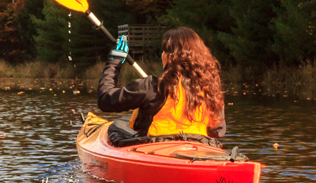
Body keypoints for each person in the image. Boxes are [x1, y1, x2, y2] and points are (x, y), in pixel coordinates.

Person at [96, 26, 226, 140]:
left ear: (171, 57)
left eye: (164, 51)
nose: (162, 55)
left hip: (155, 148)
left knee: (116, 126)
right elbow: (218, 131)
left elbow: (105, 100)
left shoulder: (151, 86)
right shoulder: (211, 90)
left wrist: (114, 62)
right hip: (197, 149)